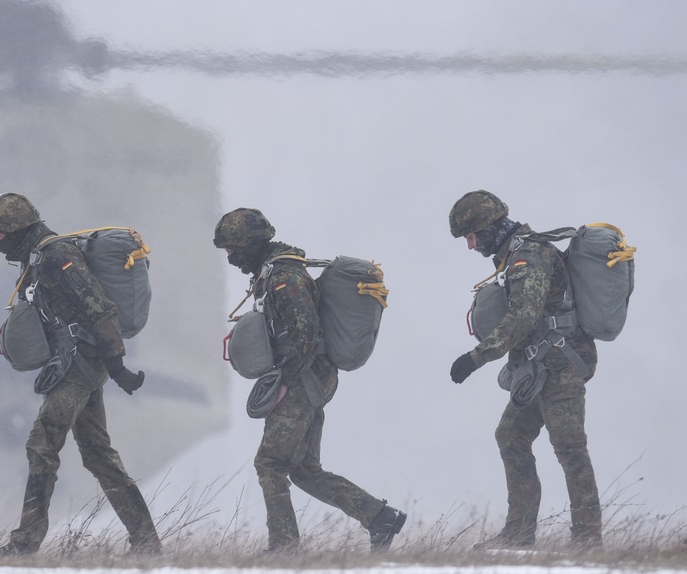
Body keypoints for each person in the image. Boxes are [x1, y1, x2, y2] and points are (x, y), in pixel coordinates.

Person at [213, 208, 406, 553]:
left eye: (233, 249)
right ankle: (380, 517)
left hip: (304, 380)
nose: (231, 258)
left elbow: (305, 334)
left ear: (251, 244)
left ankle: (284, 547)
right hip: (311, 377)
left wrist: (285, 381)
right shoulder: (276, 272)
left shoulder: (284, 277)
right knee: (303, 469)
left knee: (270, 463)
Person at [0, 192, 162, 555]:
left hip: (81, 366)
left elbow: (100, 308)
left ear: (17, 229)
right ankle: (147, 543)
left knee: (42, 445)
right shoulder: (38, 257)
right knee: (98, 456)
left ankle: (25, 544)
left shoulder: (56, 256)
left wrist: (117, 367)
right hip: (76, 362)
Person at [448, 190, 602, 549]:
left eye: (471, 236)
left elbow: (522, 317)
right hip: (539, 367)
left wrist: (476, 357)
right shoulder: (515, 256)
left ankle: (588, 539)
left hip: (561, 365)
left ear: (488, 228)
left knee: (569, 447)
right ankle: (518, 534)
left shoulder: (527, 257)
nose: (470, 246)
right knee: (511, 436)